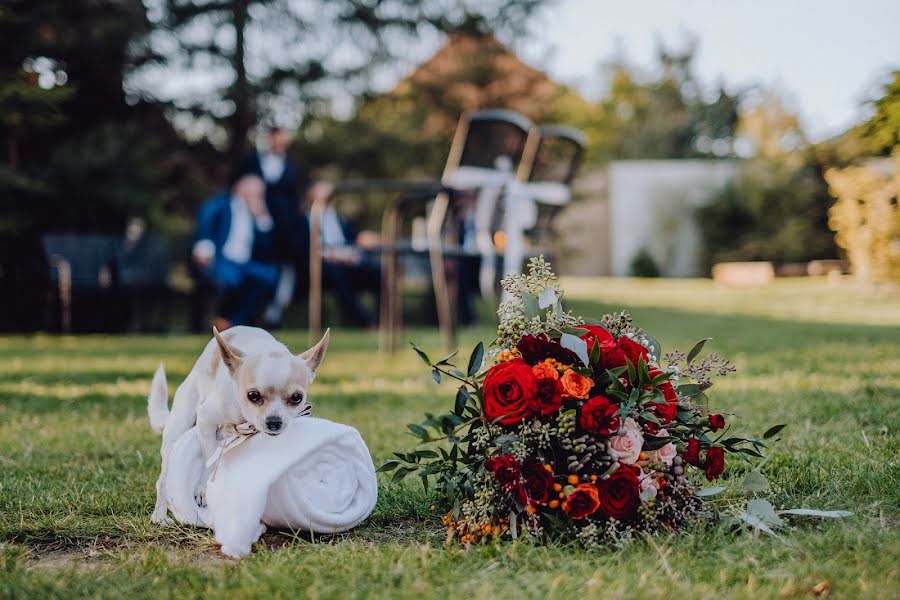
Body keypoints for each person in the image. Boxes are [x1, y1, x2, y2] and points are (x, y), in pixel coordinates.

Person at [190, 174, 280, 329]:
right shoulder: (221, 204)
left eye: (260, 193)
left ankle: (235, 321)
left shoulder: (256, 212)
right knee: (231, 279)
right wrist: (204, 246)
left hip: (245, 263)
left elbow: (267, 248)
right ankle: (220, 320)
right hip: (220, 259)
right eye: (255, 191)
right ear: (240, 188)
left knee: (268, 277)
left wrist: (262, 218)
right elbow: (206, 223)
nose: (258, 196)